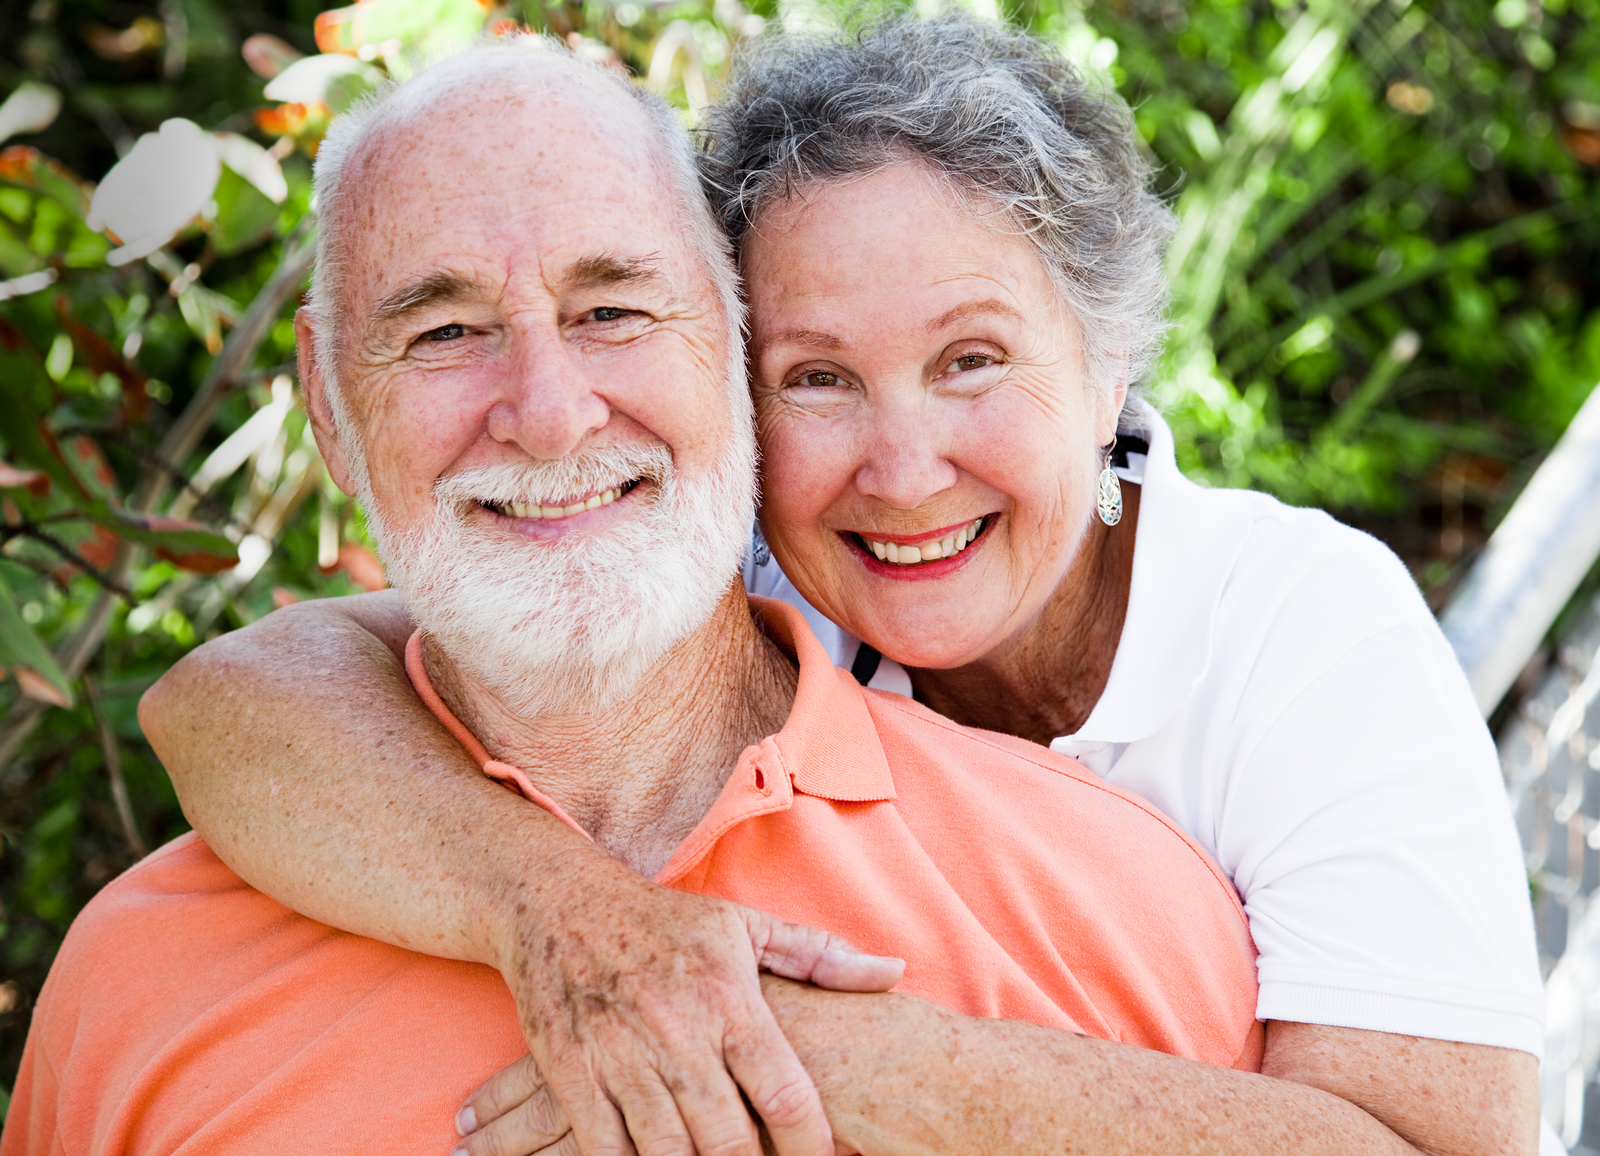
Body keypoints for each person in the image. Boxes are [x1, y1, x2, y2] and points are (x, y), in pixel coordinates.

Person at [140, 16, 1543, 1156]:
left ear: (1109, 366)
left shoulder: (1303, 632)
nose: (903, 468)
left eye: (974, 361)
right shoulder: (729, 575)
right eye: (816, 379)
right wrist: (578, 926)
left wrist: (823, 1055)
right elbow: (245, 699)